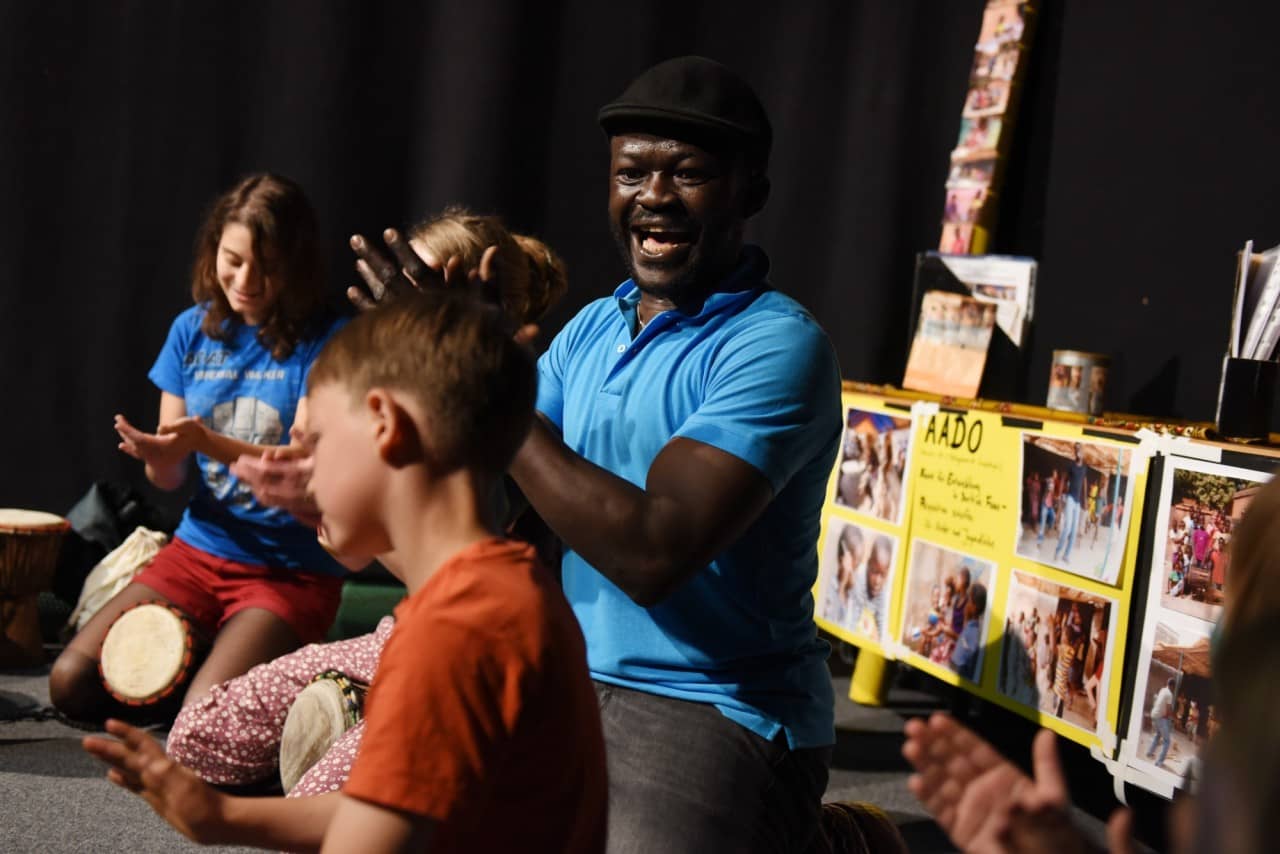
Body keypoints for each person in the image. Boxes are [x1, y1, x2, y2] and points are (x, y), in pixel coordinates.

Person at [84, 290, 608, 852]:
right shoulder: (506, 586)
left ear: (384, 424)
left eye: (317, 443)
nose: (305, 473)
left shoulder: (455, 627)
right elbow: (390, 806)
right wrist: (222, 818)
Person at [164, 208, 568, 795]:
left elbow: (463, 564)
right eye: (395, 292)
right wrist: (317, 500)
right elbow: (356, 547)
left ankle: (369, 727)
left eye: (421, 295)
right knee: (199, 738)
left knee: (319, 798)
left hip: (468, 659)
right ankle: (358, 713)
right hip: (403, 635)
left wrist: (221, 822)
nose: (400, 310)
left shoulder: (515, 417)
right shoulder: (387, 397)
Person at [49, 174, 351, 722]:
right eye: (232, 260)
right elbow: (169, 478)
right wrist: (160, 455)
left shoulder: (328, 339)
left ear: (298, 264)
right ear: (213, 252)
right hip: (197, 552)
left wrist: (205, 440)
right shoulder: (191, 331)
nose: (246, 280)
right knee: (70, 683)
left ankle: (250, 655)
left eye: (268, 265)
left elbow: (300, 469)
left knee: (202, 720)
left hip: (287, 570)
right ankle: (218, 651)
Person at [846, 534, 891, 640]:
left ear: (887, 573)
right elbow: (852, 620)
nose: (877, 581)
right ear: (869, 563)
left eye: (882, 575)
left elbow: (882, 624)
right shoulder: (859, 578)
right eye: (874, 572)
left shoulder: (884, 590)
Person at [1053, 443, 1087, 564]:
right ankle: (1057, 552)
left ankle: (1066, 555)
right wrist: (1059, 496)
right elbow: (1063, 479)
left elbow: (1084, 484)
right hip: (1071, 499)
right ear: (1075, 452)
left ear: (1082, 452)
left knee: (1074, 530)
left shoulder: (1084, 468)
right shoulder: (1071, 465)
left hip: (1078, 502)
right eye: (1077, 449)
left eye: (1080, 449)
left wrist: (1085, 501)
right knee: (1067, 528)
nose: (1079, 451)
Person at [949, 583, 986, 682]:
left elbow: (955, 666)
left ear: (974, 607)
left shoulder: (972, 634)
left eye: (969, 600)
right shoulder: (972, 627)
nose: (966, 604)